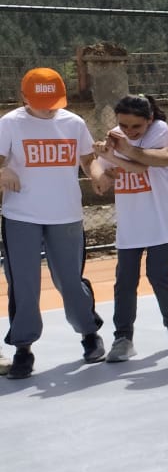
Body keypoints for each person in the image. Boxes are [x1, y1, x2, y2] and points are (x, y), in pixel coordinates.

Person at [0, 67, 103, 378]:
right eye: (38, 102)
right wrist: (2, 171)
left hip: (66, 214)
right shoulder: (10, 123)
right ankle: (23, 348)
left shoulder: (73, 123)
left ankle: (89, 334)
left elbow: (87, 158)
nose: (46, 108)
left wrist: (97, 176)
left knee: (70, 281)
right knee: (24, 284)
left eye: (52, 101)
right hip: (22, 215)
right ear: (23, 97)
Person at [90, 93, 168, 363]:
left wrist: (113, 155)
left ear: (150, 119)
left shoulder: (160, 130)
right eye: (124, 125)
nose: (129, 131)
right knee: (124, 281)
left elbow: (140, 167)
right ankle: (123, 338)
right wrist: (102, 173)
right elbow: (108, 168)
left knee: (159, 275)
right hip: (132, 220)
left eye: (136, 126)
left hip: (162, 218)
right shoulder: (115, 135)